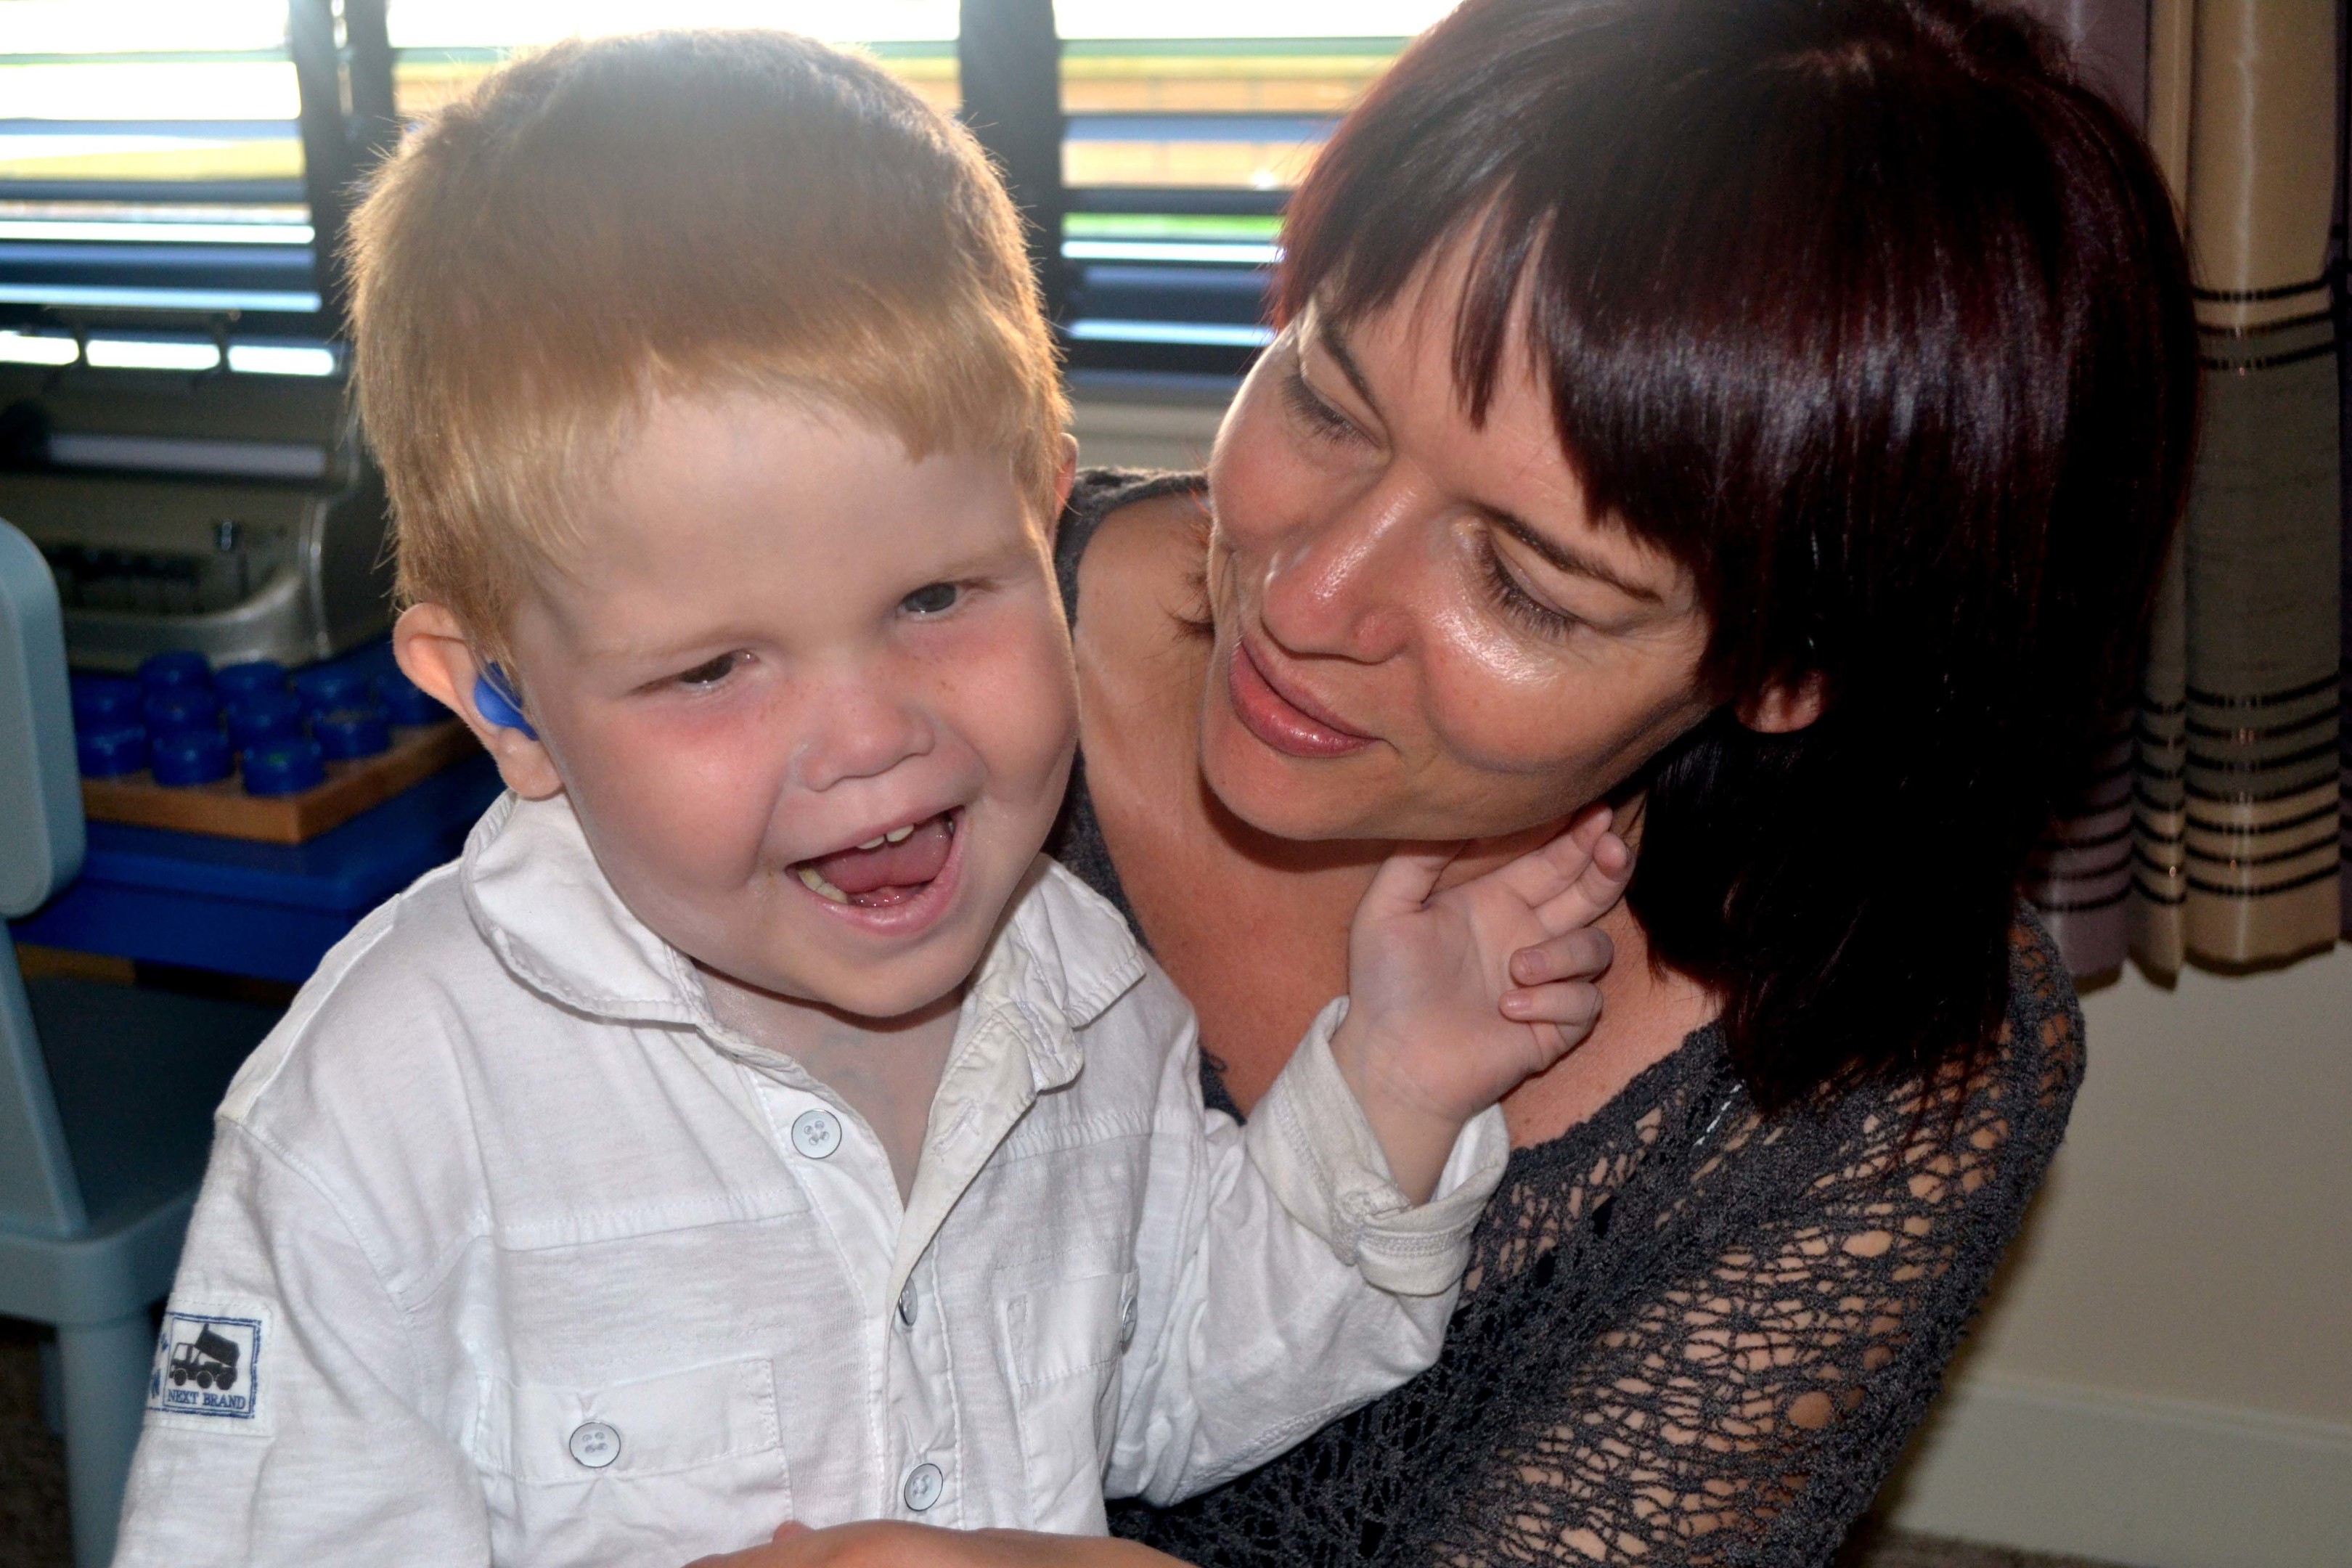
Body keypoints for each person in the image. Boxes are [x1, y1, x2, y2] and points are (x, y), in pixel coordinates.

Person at [107, 31, 1641, 1568]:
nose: (870, 741)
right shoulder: (380, 1114)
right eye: (713, 669)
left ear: (1044, 524)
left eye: (932, 597)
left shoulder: (1088, 998)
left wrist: (1397, 1083)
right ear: (501, 700)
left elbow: (1185, 1385)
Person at [690, 0, 2197, 1564]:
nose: (1307, 596)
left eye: (1530, 587)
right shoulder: (864, 689)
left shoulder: (1867, 1067)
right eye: (1329, 400)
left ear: (1791, 669)